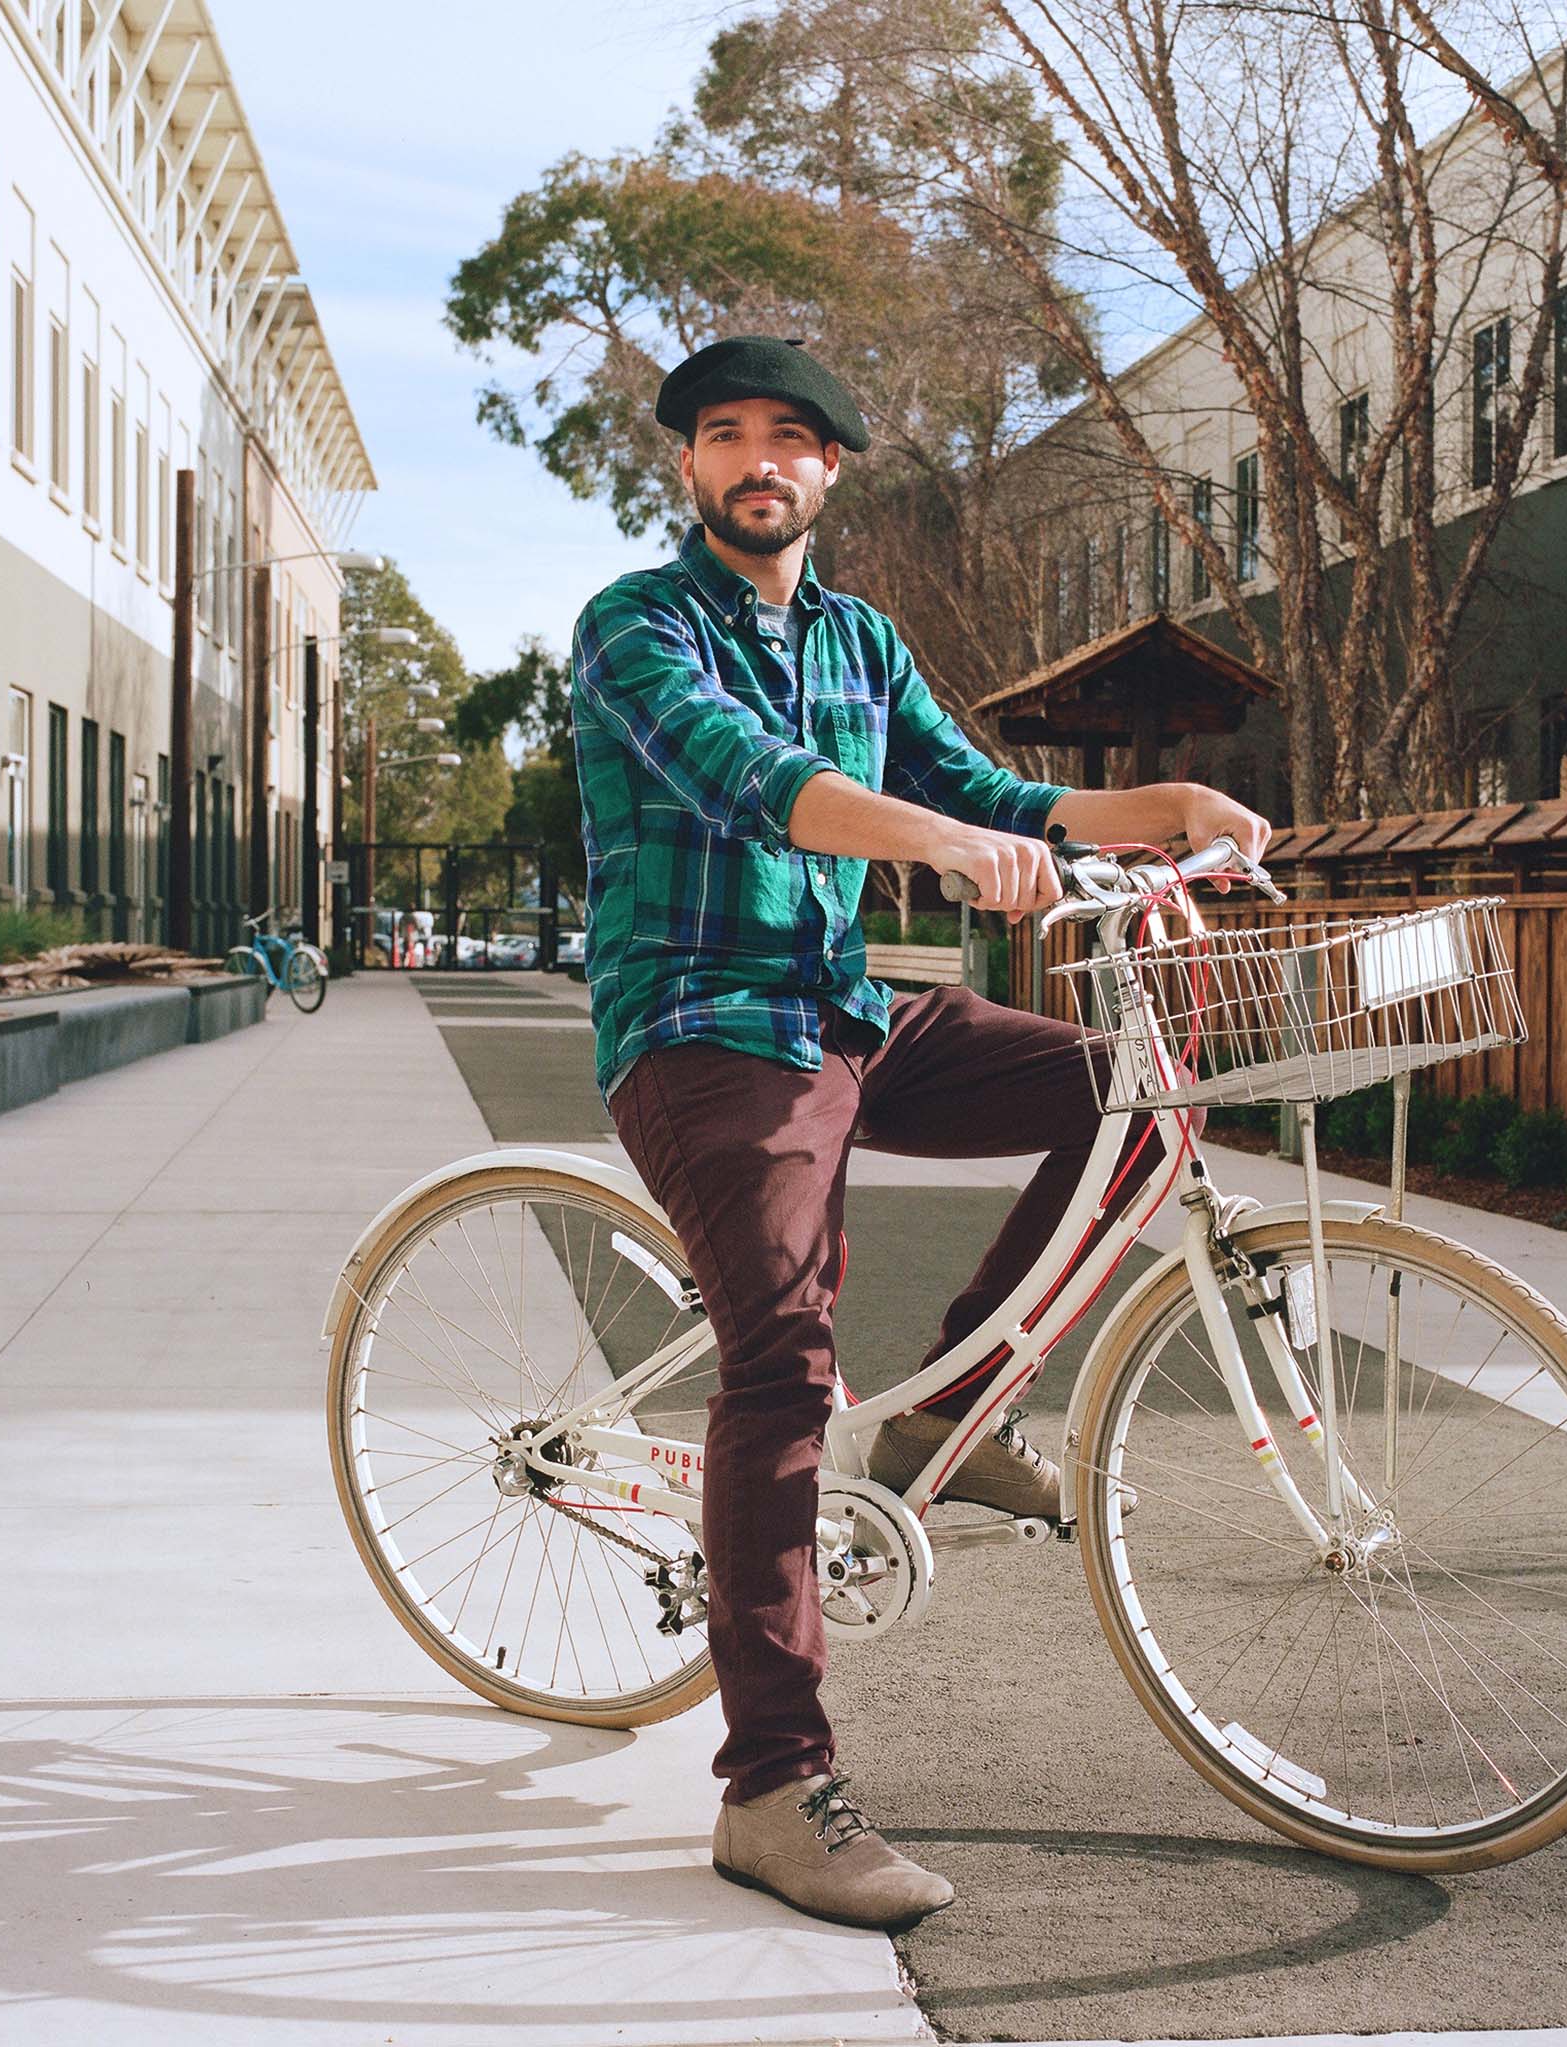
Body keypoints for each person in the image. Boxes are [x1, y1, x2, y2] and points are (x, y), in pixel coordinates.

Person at [569, 335, 1270, 1933]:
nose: (758, 459)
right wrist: (937, 841)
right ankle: (770, 1787)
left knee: (1133, 1106)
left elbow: (987, 789)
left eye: (790, 439)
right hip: (700, 1026)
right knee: (779, 1364)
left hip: (841, 1005)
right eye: (726, 434)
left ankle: (952, 1402)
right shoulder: (636, 624)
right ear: (689, 465)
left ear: (830, 471)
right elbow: (760, 782)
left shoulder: (863, 636)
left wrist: (1158, 809)